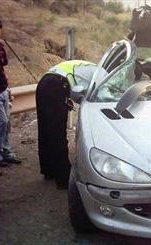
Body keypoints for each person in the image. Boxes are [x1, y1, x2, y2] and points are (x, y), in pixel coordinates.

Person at [36, 60, 96, 189]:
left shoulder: (92, 67)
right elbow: (90, 100)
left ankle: (49, 170)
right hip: (57, 85)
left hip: (45, 82)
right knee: (58, 133)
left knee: (46, 130)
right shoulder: (101, 76)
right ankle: (63, 179)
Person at [0, 16, 21, 169]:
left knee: (6, 123)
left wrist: (7, 87)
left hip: (3, 89)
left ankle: (5, 152)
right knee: (1, 122)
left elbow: (1, 68)